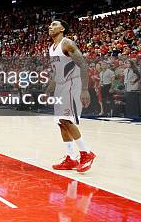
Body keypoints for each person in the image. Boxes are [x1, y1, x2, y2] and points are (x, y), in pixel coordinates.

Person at [48, 20, 96, 173]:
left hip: (71, 84)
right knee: (61, 122)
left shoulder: (66, 43)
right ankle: (71, 158)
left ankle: (86, 153)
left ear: (62, 29)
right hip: (60, 86)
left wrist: (84, 89)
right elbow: (57, 72)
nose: (50, 27)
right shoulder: (51, 48)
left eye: (54, 25)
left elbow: (82, 64)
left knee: (67, 119)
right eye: (49, 25)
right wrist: (49, 89)